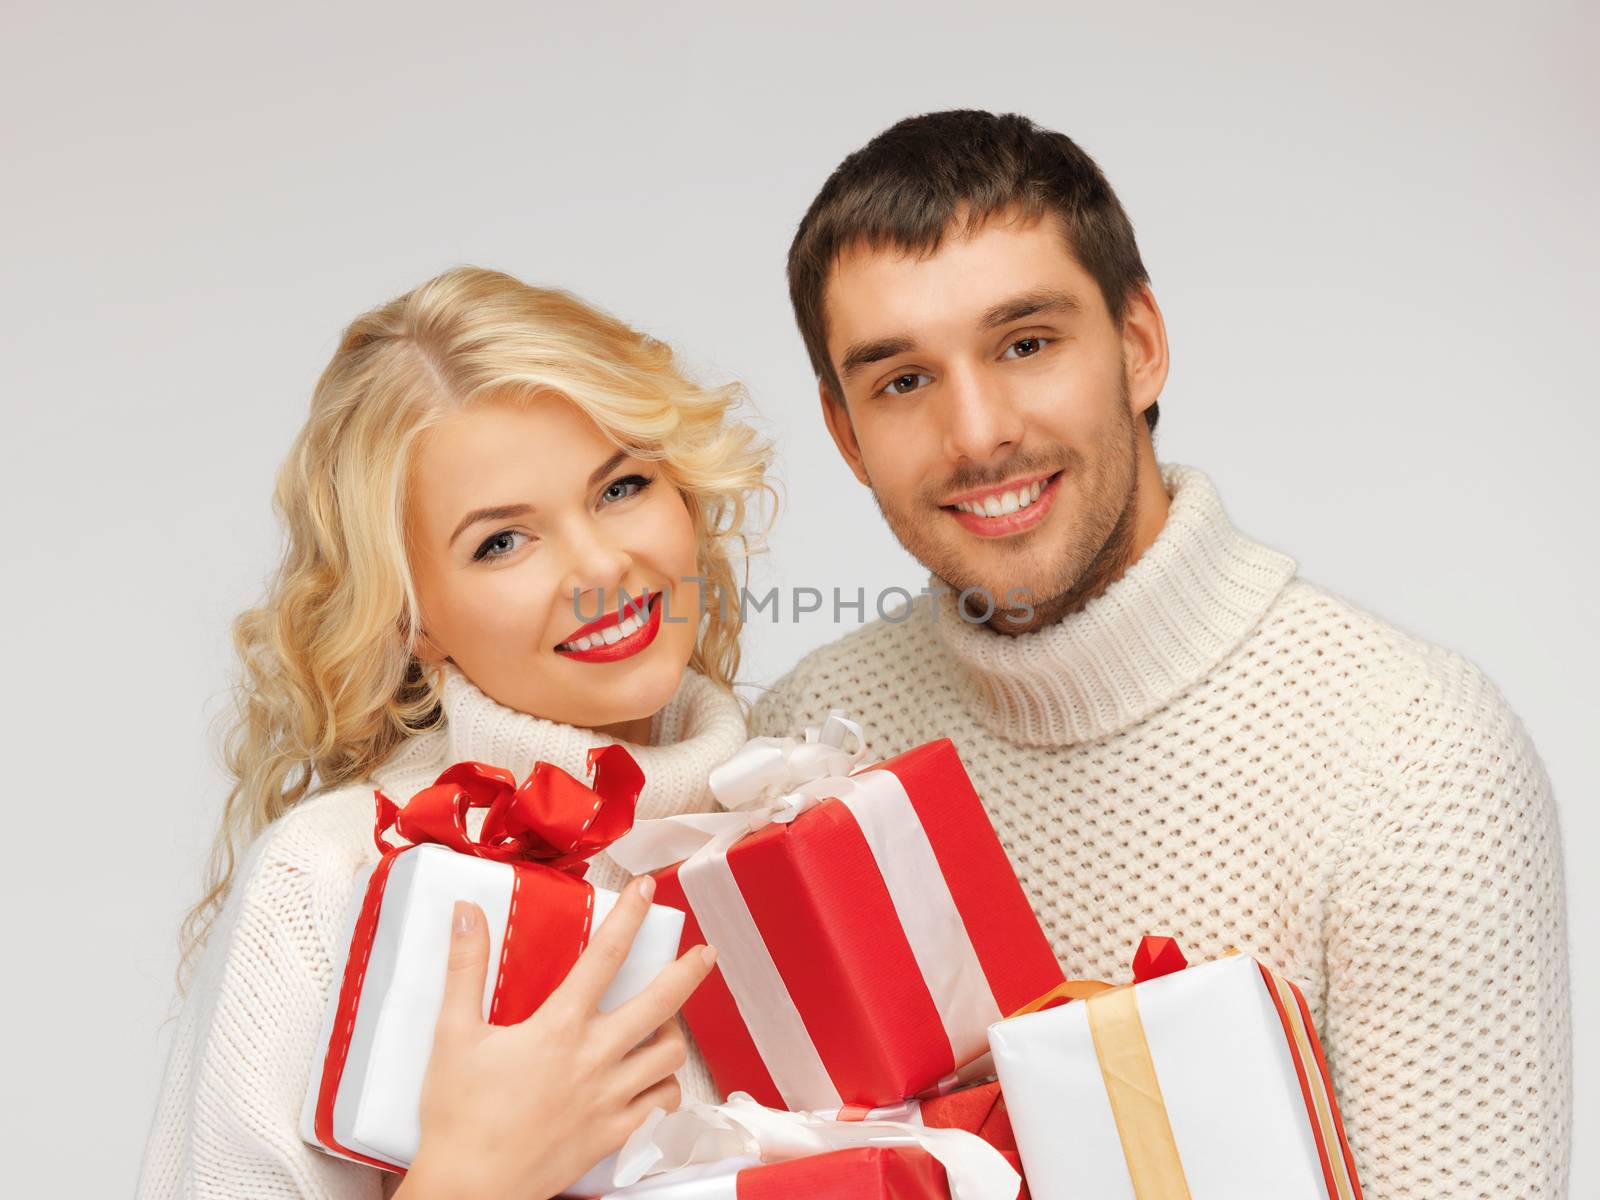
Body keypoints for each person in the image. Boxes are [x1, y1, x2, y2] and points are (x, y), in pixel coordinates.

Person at [751, 110, 1571, 1197]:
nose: (977, 431)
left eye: (1025, 343)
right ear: (844, 432)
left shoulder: (1413, 757)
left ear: (1139, 345)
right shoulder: (806, 747)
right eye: (902, 380)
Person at [137, 266, 771, 1199]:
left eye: (621, 486)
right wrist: (474, 1179)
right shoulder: (333, 874)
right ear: (411, 619)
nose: (600, 565)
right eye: (501, 542)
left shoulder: (789, 811)